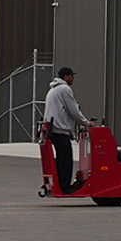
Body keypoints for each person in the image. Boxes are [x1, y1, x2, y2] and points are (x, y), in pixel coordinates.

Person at [43, 66, 91, 194]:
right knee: (66, 158)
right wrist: (86, 123)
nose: (73, 78)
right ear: (66, 77)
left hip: (52, 128)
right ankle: (64, 187)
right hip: (59, 130)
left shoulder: (53, 90)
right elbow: (73, 110)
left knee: (61, 158)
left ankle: (60, 183)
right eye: (71, 76)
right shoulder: (64, 89)